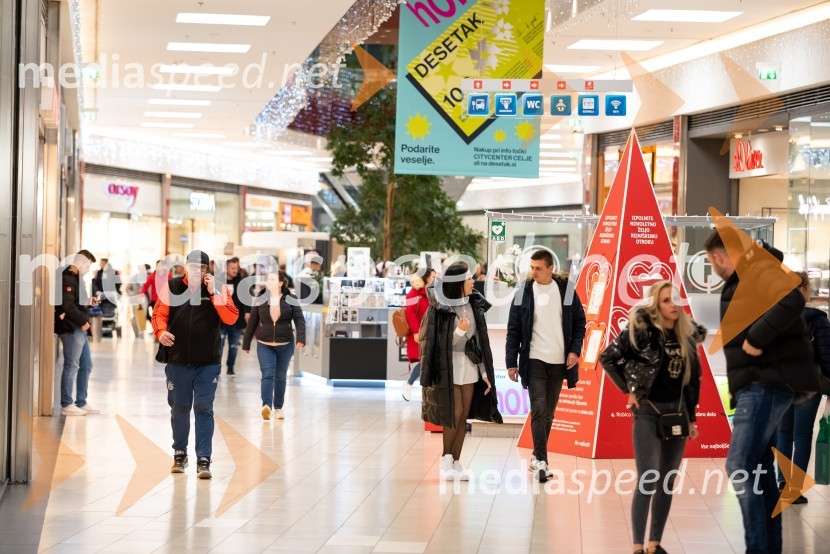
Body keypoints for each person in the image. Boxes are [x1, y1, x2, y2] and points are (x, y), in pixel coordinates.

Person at [704, 231, 814, 554]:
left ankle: (757, 548)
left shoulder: (757, 270)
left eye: (714, 260)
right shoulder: (750, 274)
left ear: (724, 254)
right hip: (758, 382)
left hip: (765, 382)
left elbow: (793, 298)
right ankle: (768, 548)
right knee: (760, 471)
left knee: (739, 464)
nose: (715, 268)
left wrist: (756, 339)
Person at [600, 281, 706, 554]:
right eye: (666, 301)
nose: (673, 305)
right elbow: (608, 357)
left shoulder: (687, 334)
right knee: (648, 478)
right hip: (648, 412)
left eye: (675, 300)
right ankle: (637, 547)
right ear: (655, 306)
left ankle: (653, 545)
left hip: (678, 414)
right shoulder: (643, 331)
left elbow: (693, 381)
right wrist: (628, 389)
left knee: (667, 482)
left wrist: (692, 418)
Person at [151, 250, 239, 479]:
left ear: (207, 269)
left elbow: (231, 318)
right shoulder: (172, 286)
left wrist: (214, 294)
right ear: (185, 267)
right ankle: (180, 454)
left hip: (207, 362)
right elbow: (159, 314)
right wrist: (160, 332)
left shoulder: (217, 288)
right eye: (193, 266)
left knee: (203, 407)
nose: (197, 271)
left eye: (202, 267)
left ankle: (204, 459)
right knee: (179, 408)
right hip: (177, 360)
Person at [505, 249, 586, 482]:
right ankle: (541, 460)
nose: (534, 272)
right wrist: (511, 362)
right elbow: (514, 331)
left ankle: (535, 457)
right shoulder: (524, 293)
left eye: (538, 268)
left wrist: (574, 350)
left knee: (548, 413)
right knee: (539, 408)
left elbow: (580, 323)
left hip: (559, 362)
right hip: (534, 359)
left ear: (551, 268)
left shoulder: (566, 290)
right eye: (532, 268)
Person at [420, 262, 502, 480]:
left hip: (470, 368)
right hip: (449, 368)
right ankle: (446, 458)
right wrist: (459, 331)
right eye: (469, 279)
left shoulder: (474, 305)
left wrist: (485, 373)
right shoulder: (439, 308)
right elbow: (440, 344)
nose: (473, 282)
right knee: (454, 413)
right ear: (458, 283)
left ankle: (456, 461)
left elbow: (478, 343)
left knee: (464, 414)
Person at [776, 271, 830, 504]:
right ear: (804, 289)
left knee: (784, 435)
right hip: (808, 384)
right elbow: (826, 357)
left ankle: (782, 484)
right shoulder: (817, 318)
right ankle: (794, 489)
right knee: (802, 434)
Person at [242, 270, 306, 421]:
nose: (268, 282)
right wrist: (246, 343)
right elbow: (252, 321)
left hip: (286, 343)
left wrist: (301, 338)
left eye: (272, 279)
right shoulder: (261, 297)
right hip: (265, 343)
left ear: (280, 283)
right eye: (268, 279)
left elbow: (299, 319)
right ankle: (266, 405)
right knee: (267, 373)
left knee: (280, 377)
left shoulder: (291, 298)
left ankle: (278, 408)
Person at [54, 249, 100, 416]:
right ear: (79, 262)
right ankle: (67, 404)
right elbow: (67, 306)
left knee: (86, 365)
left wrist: (88, 301)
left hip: (78, 328)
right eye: (87, 265)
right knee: (71, 365)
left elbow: (75, 301)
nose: (88, 269)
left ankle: (81, 401)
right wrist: (83, 322)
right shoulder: (67, 277)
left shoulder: (75, 278)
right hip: (71, 327)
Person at [402, 268, 436, 401]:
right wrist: (416, 332)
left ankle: (425, 389)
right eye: (433, 276)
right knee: (424, 361)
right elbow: (410, 313)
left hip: (428, 330)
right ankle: (409, 383)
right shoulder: (414, 293)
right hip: (418, 332)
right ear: (426, 277)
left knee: (428, 361)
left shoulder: (429, 291)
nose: (435, 279)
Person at [219, 257, 249, 377]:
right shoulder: (218, 281)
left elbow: (246, 299)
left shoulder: (241, 282)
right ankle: (217, 368)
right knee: (219, 347)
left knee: (233, 347)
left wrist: (247, 312)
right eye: (232, 268)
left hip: (236, 321)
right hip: (220, 321)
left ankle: (230, 367)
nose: (235, 270)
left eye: (236, 268)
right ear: (226, 268)